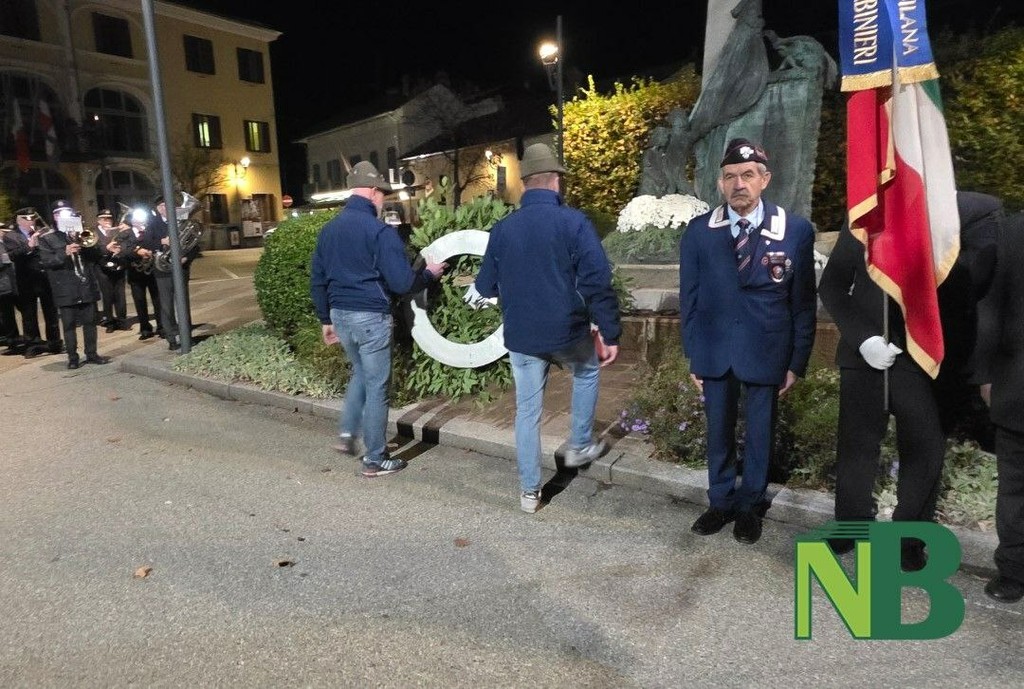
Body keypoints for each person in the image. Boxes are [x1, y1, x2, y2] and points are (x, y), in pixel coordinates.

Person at [818, 191, 1003, 571]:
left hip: (927, 358)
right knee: (856, 448)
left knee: (924, 451)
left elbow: (976, 282)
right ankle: (851, 523)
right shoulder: (865, 213)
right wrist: (864, 339)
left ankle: (910, 540)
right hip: (867, 354)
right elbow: (833, 286)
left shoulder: (971, 214)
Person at [679, 137, 817, 544]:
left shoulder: (795, 230)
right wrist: (694, 355)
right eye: (730, 177)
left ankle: (750, 506)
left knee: (760, 433)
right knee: (718, 431)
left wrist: (796, 362)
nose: (738, 184)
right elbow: (689, 299)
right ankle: (720, 501)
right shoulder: (699, 232)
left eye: (748, 175)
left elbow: (803, 303)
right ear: (720, 183)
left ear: (764, 179)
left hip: (768, 349)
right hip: (715, 350)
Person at [473, 143, 622, 514]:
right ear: (556, 180)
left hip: (522, 336)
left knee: (527, 412)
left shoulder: (503, 229)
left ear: (525, 183)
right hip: (567, 330)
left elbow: (485, 286)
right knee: (587, 372)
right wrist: (610, 331)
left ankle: (529, 493)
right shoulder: (574, 222)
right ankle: (580, 445)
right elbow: (597, 280)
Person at [310, 161, 447, 478]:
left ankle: (347, 434)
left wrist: (325, 319)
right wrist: (429, 274)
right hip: (370, 318)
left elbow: (318, 280)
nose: (383, 200)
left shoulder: (329, 230)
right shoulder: (380, 232)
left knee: (360, 372)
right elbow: (402, 283)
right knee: (377, 388)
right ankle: (375, 459)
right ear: (373, 192)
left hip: (340, 317)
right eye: (383, 194)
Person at [973, 210, 1024, 603]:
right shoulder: (1014, 231)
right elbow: (991, 306)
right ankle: (1013, 570)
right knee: (1015, 487)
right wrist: (986, 374)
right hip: (1017, 385)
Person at [36, 201, 111, 369]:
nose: (64, 216)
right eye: (59, 213)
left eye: (67, 212)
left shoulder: (81, 232)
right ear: (54, 217)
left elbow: (96, 256)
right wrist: (65, 253)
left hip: (85, 284)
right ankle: (73, 357)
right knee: (69, 325)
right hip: (65, 287)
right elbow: (47, 262)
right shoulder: (47, 238)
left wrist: (85, 242)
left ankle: (92, 354)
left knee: (90, 322)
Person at [2, 208, 62, 358]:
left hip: (44, 278)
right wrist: (29, 246)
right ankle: (33, 344)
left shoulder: (42, 232)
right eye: (27, 219)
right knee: (29, 315)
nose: (31, 221)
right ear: (19, 220)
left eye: (33, 218)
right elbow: (12, 255)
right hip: (26, 280)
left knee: (51, 312)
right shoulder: (11, 236)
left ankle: (54, 342)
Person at [148, 194, 198, 351]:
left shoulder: (182, 222)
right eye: (163, 206)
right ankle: (171, 338)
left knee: (183, 304)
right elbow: (146, 242)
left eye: (168, 205)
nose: (166, 208)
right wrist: (161, 241)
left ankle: (186, 336)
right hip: (162, 270)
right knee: (166, 306)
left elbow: (194, 244)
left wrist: (186, 258)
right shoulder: (152, 223)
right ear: (158, 209)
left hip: (181, 269)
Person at [120, 206, 161, 341]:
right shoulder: (126, 234)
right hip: (135, 273)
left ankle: (161, 326)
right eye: (136, 218)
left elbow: (158, 244)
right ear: (132, 220)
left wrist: (150, 250)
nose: (139, 220)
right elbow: (124, 251)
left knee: (157, 300)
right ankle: (145, 328)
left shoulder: (151, 231)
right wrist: (137, 251)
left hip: (153, 271)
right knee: (139, 301)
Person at [93, 208, 130, 333]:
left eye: (109, 218)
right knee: (107, 295)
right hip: (102, 268)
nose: (107, 220)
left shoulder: (118, 230)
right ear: (98, 220)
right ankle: (109, 321)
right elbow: (93, 249)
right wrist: (106, 248)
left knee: (120, 295)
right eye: (104, 218)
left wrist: (120, 249)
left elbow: (126, 243)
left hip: (118, 265)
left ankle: (122, 321)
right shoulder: (93, 232)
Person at [0, 223, 20, 352]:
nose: (4, 232)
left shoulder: (7, 243)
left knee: (23, 311)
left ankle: (20, 339)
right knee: (7, 315)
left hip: (15, 282)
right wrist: (4, 259)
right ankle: (12, 341)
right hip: (3, 285)